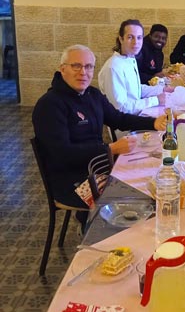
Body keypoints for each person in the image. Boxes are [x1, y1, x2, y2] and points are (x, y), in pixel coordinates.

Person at [32, 44, 167, 214]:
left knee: (154, 180)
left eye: (89, 66)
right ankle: (93, 225)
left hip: (100, 167)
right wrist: (109, 149)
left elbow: (118, 119)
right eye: (76, 66)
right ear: (63, 69)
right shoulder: (49, 105)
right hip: (71, 181)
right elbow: (63, 154)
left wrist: (153, 123)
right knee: (137, 199)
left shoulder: (92, 95)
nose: (83, 72)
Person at [98, 19, 164, 114]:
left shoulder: (130, 59)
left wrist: (162, 89)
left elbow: (135, 89)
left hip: (134, 114)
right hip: (123, 122)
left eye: (139, 37)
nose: (135, 42)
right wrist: (156, 100)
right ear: (121, 39)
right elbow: (120, 108)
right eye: (130, 37)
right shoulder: (113, 67)